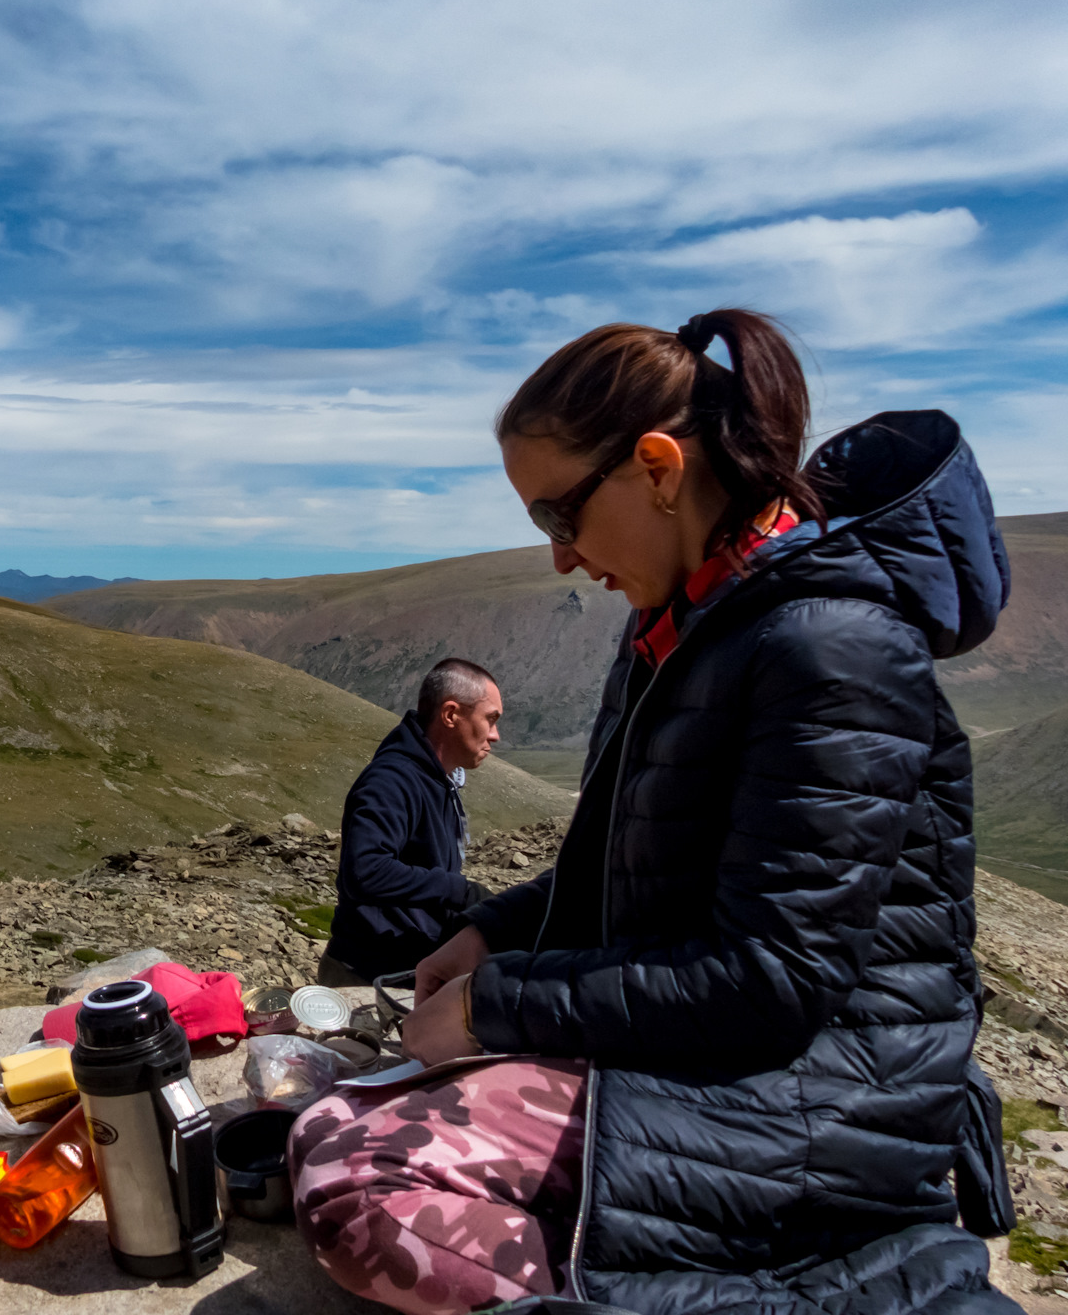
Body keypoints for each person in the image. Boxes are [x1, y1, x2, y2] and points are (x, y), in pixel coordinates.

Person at [289, 310, 1016, 1315]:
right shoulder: (685, 627)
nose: (557, 557)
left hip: (821, 1103)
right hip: (717, 1065)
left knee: (356, 1190)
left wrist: (498, 1009)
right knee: (325, 1122)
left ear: (659, 467)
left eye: (559, 515)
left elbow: (774, 978)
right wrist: (494, 935)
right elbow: (624, 870)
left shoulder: (826, 648)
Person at [318, 658, 501, 986]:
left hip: (400, 971)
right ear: (450, 715)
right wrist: (458, 891)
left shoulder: (438, 781)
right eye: (490, 719)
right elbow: (364, 870)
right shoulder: (391, 780)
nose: (496, 735)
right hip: (365, 976)